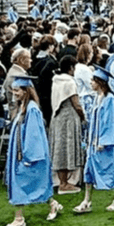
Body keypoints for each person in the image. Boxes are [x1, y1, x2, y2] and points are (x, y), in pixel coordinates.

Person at [3, 75, 60, 226]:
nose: (14, 93)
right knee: (28, 184)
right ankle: (52, 204)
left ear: (26, 91)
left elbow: (33, 135)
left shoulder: (32, 109)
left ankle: (19, 218)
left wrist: (29, 156)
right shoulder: (23, 107)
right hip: (19, 153)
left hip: (27, 154)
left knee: (23, 184)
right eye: (13, 90)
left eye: (17, 90)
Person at [74, 66, 114, 213]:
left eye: (93, 80)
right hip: (93, 142)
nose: (90, 83)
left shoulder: (110, 100)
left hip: (106, 144)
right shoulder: (97, 98)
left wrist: (104, 141)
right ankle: (86, 201)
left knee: (111, 170)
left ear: (100, 82)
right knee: (89, 171)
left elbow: (111, 122)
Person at [49, 55, 85, 195]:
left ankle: (62, 181)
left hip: (57, 118)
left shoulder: (55, 80)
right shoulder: (70, 82)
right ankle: (64, 184)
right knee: (66, 148)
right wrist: (83, 116)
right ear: (71, 68)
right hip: (68, 118)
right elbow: (76, 104)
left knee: (59, 148)